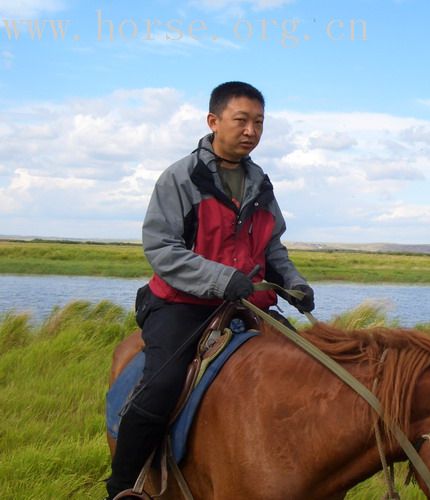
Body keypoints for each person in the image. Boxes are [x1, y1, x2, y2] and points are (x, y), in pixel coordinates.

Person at [106, 81, 315, 499]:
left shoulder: (261, 183)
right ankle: (123, 486)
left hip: (247, 305)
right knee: (162, 386)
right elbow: (161, 248)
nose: (251, 130)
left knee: (307, 371)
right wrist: (221, 279)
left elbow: (272, 246)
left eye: (258, 122)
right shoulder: (180, 178)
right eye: (241, 120)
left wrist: (293, 282)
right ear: (213, 121)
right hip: (181, 304)